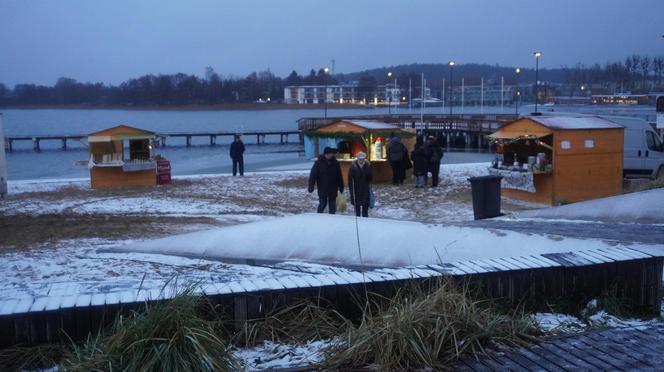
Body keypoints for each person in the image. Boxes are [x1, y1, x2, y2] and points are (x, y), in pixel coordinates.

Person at [308, 147, 344, 214]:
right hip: (322, 187)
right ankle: (319, 217)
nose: (329, 155)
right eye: (327, 154)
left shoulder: (335, 163)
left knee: (332, 206)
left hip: (333, 188)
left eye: (330, 154)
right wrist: (311, 186)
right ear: (324, 154)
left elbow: (339, 176)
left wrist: (341, 186)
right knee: (322, 204)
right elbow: (313, 175)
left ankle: (332, 219)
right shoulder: (318, 163)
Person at [348, 152, 373, 217]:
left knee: (365, 210)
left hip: (365, 189)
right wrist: (352, 193)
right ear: (357, 159)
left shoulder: (368, 166)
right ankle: (358, 221)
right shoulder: (353, 167)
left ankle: (365, 223)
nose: (361, 160)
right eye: (360, 159)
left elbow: (370, 178)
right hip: (356, 190)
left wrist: (368, 175)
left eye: (362, 159)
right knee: (357, 211)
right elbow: (350, 181)